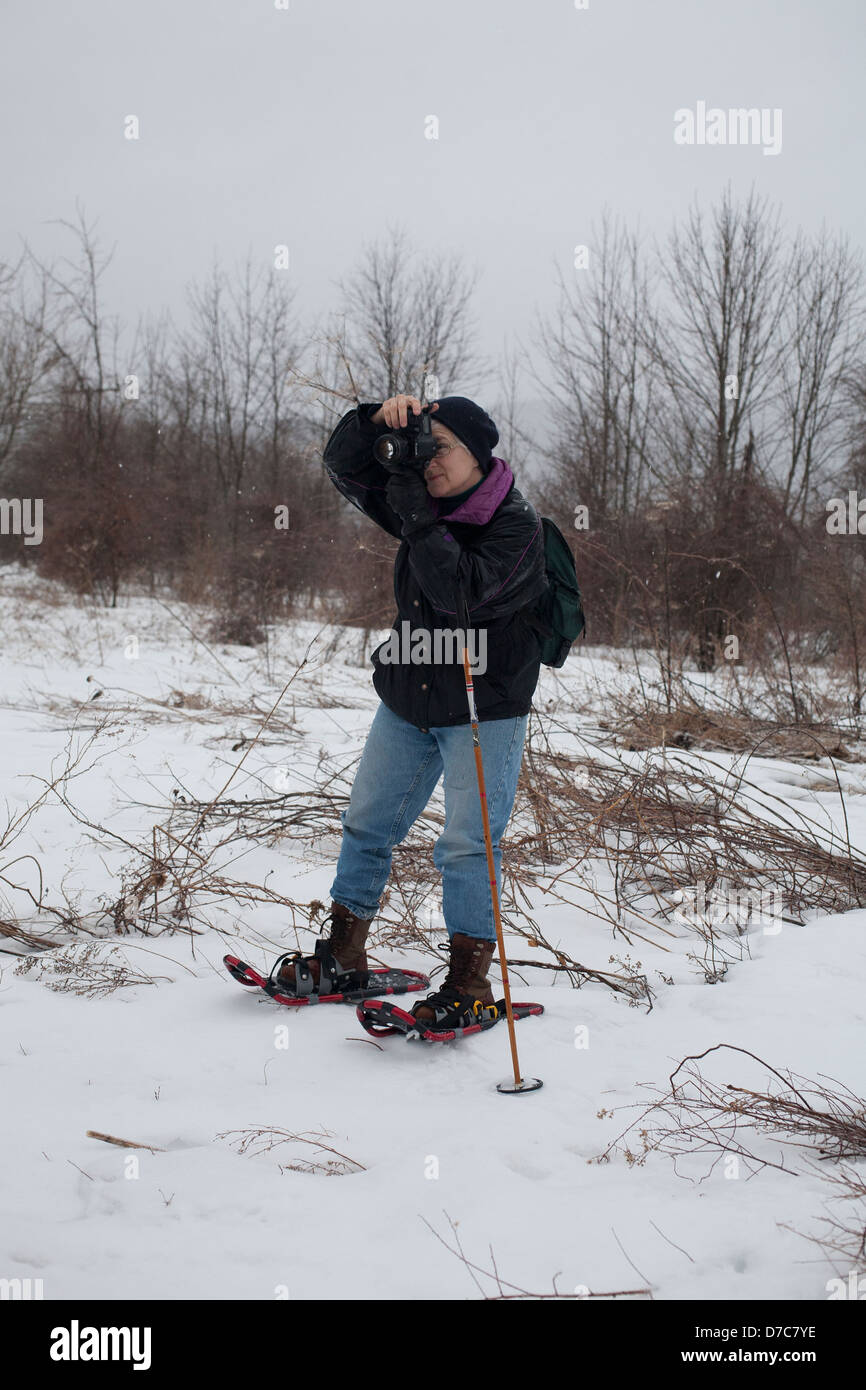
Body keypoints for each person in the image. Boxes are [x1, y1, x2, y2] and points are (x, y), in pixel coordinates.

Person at [272, 392, 548, 1029]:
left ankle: (470, 983)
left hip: (486, 709)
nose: (429, 461)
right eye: (425, 445)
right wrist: (377, 422)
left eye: (442, 447)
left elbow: (460, 594)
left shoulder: (515, 525)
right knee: (367, 823)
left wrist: (419, 517)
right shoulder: (419, 502)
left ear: (479, 454)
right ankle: (344, 954)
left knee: (467, 847)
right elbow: (344, 466)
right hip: (408, 699)